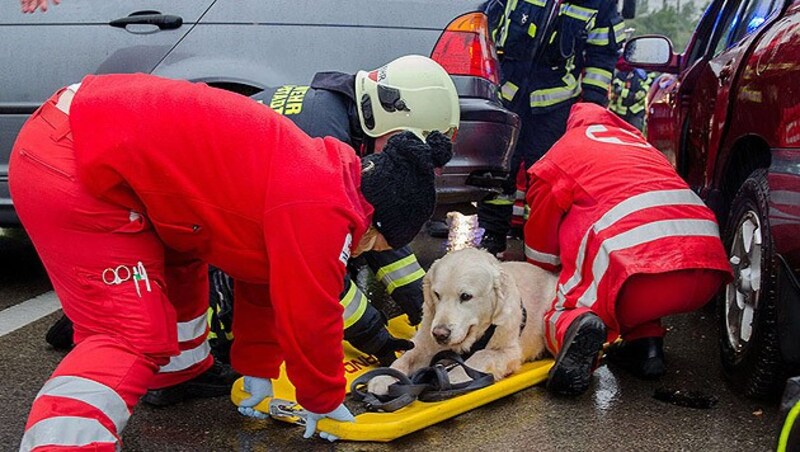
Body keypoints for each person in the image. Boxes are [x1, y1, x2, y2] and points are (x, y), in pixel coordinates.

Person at [10, 73, 453, 449]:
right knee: (126, 332)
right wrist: (320, 396)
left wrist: (257, 367)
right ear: (375, 221)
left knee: (183, 262)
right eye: (376, 246)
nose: (365, 253)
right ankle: (62, 440)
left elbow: (260, 282)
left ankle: (178, 375)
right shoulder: (322, 207)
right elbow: (310, 314)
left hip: (92, 134)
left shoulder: (325, 176)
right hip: (72, 154)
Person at [522, 103, 732, 396]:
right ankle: (647, 348)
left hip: (635, 276)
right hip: (708, 265)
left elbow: (542, 234)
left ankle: (574, 329)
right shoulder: (640, 146)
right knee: (641, 274)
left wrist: (543, 274)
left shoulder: (564, 150)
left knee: (567, 301)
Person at [478, 0, 626, 255]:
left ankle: (537, 243)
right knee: (498, 171)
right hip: (504, 96)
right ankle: (493, 238)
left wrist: (591, 104)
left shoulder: (600, 4)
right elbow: (486, 26)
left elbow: (602, 56)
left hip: (555, 107)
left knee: (545, 179)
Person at [609, 57, 655, 132]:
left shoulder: (644, 72)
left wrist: (637, 95)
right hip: (619, 112)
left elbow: (647, 87)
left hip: (636, 111)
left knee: (635, 133)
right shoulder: (621, 72)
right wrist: (629, 95)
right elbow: (617, 87)